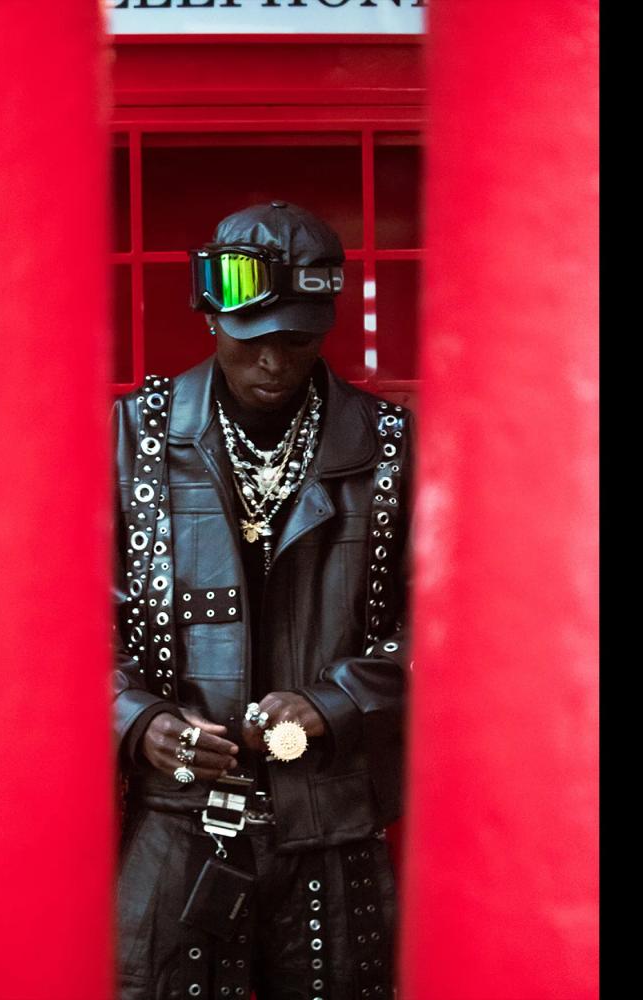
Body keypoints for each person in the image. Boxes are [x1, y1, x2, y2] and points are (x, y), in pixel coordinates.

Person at [112, 200, 414, 1000]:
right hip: (177, 820)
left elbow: (451, 626)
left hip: (333, 819)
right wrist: (136, 720)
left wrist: (333, 703)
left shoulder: (389, 443)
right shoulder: (135, 434)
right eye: (252, 338)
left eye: (298, 341)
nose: (275, 363)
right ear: (212, 317)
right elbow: (62, 621)